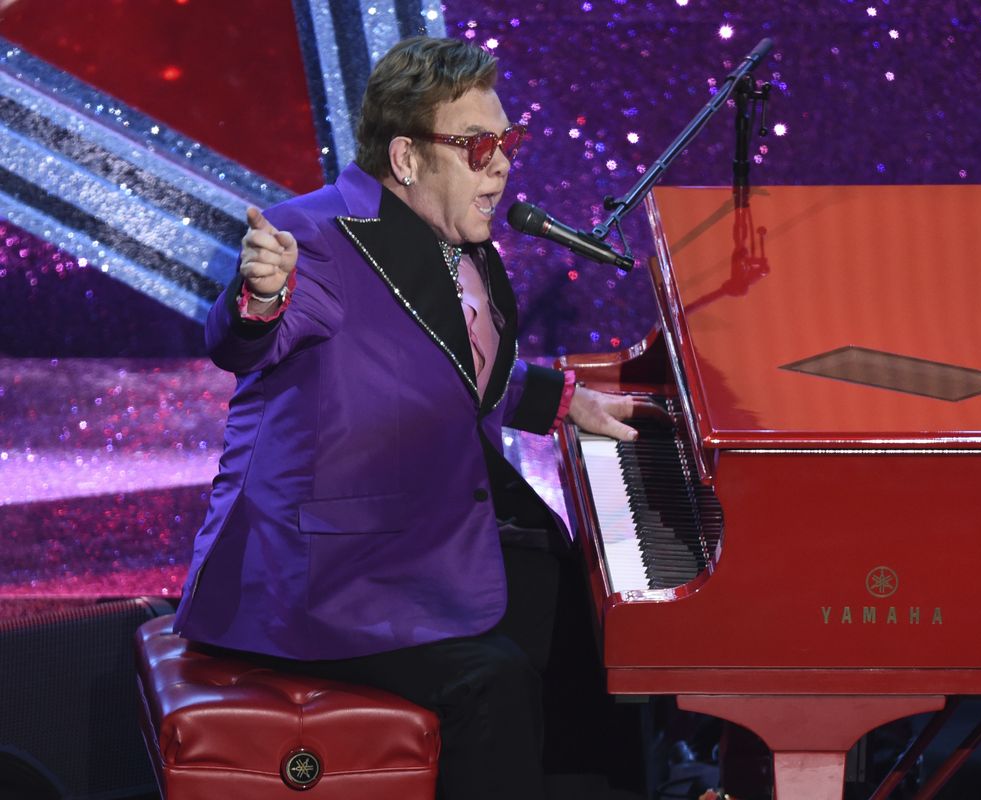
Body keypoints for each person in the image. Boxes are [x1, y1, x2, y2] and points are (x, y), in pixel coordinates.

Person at [173, 35, 649, 799]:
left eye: (508, 141)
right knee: (491, 683)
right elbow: (246, 341)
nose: (501, 163)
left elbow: (456, 366)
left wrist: (568, 403)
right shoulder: (316, 240)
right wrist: (261, 296)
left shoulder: (455, 240)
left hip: (415, 543)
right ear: (405, 158)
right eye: (480, 144)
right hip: (319, 578)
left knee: (583, 608)